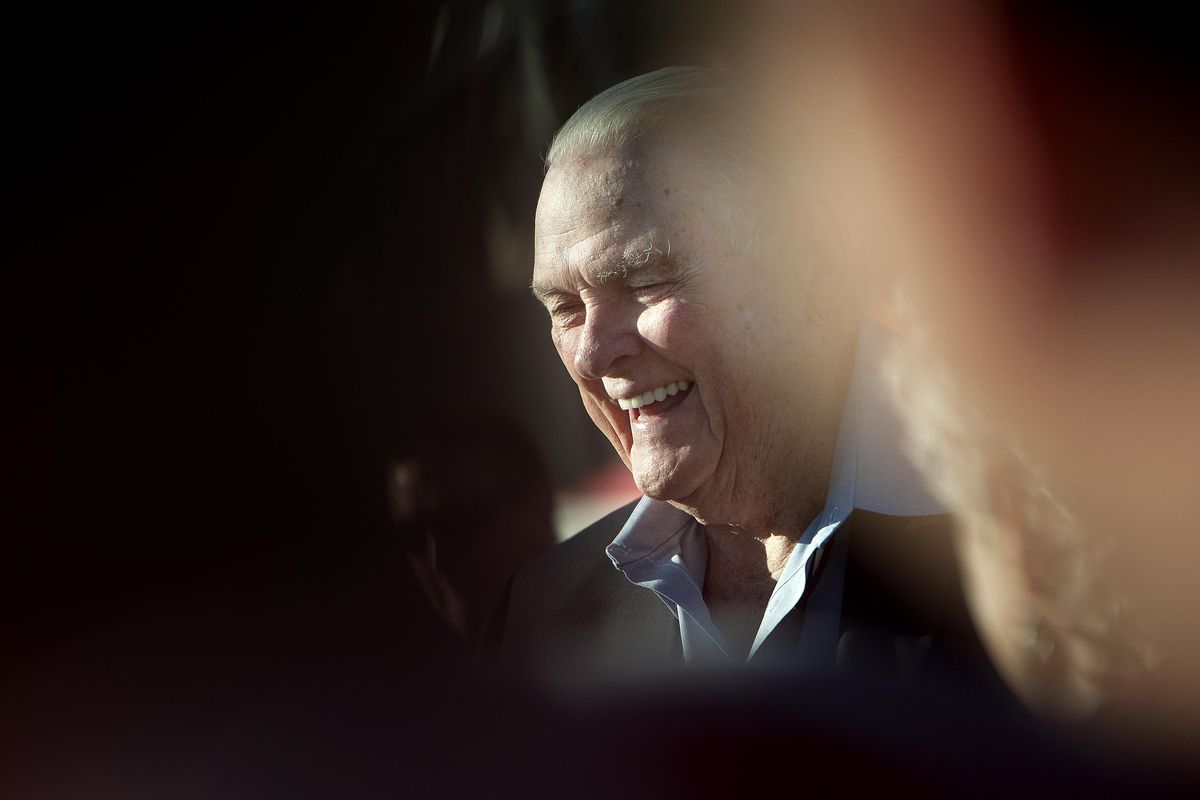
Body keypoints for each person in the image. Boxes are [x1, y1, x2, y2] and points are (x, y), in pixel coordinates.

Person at [484, 67, 1004, 695]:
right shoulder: (543, 615)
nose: (593, 353)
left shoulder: (1051, 547)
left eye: (645, 282)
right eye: (565, 308)